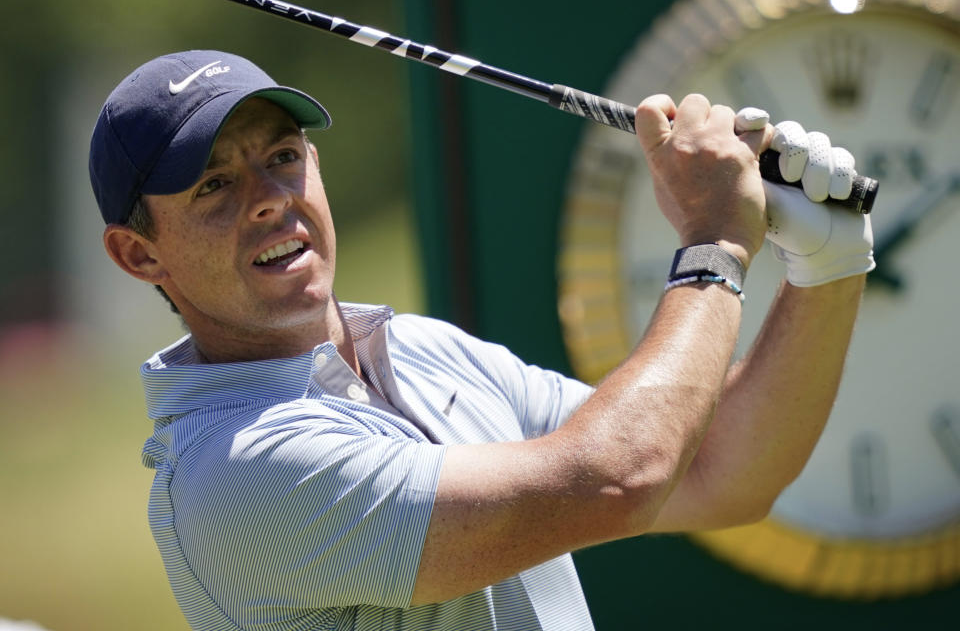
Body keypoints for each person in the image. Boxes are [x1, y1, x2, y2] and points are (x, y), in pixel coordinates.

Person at [89, 50, 874, 631]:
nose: (269, 200)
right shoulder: (233, 472)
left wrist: (828, 267)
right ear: (139, 253)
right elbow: (621, 477)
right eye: (214, 185)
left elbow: (719, 472)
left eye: (283, 158)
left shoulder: (422, 348)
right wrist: (713, 245)